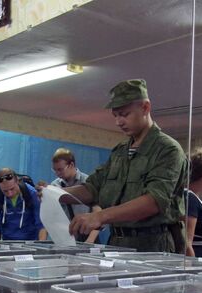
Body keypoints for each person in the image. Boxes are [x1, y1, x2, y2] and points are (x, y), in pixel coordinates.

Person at [51, 79, 188, 252]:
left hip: (153, 245)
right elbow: (93, 188)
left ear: (145, 108)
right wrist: (54, 193)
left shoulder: (168, 150)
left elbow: (153, 201)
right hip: (117, 242)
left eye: (124, 114)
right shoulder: (120, 152)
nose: (118, 122)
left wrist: (100, 216)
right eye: (115, 115)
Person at [50, 148, 102, 243]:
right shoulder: (54, 185)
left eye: (60, 169)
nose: (57, 173)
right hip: (65, 237)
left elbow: (98, 212)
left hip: (88, 237)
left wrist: (90, 240)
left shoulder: (88, 182)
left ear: (71, 165)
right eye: (54, 170)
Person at [0, 168, 47, 240]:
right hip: (7, 242)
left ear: (17, 181)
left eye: (12, 189)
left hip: (31, 242)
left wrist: (40, 247)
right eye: (5, 191)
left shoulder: (32, 193)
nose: (9, 194)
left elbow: (41, 224)